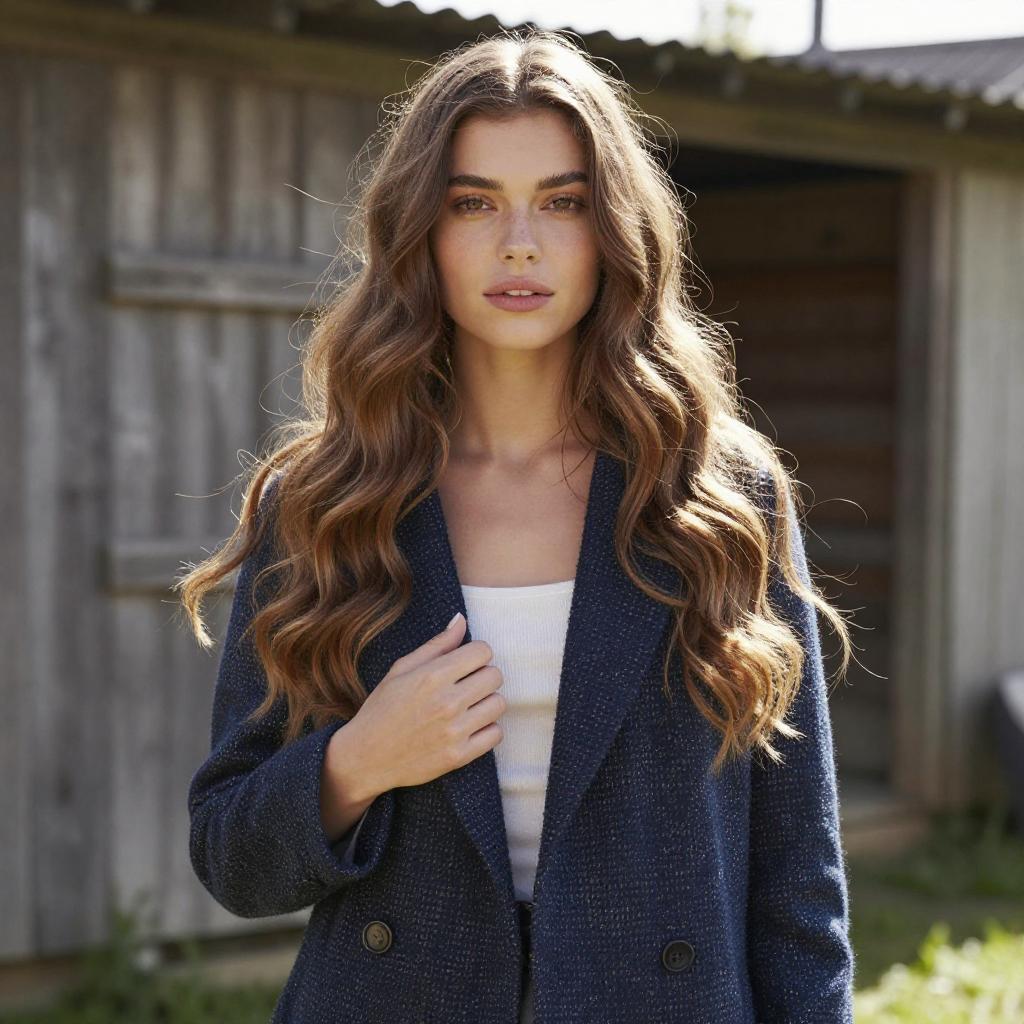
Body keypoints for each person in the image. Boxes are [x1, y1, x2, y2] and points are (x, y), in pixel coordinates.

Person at [177, 27, 857, 1024]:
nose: (519, 243)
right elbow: (231, 854)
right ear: (420, 231)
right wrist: (356, 760)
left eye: (562, 201)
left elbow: (801, 885)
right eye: (474, 203)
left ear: (611, 228)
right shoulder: (326, 500)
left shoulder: (717, 499)